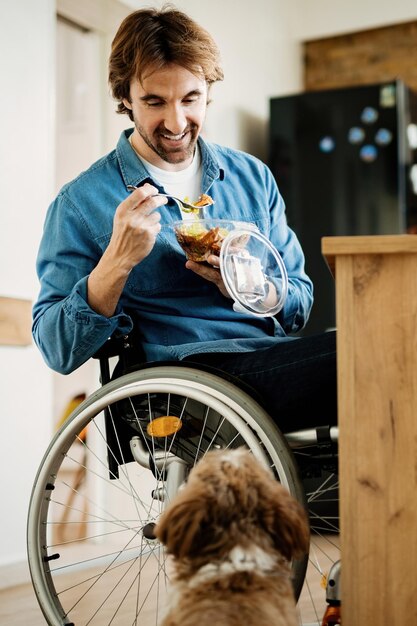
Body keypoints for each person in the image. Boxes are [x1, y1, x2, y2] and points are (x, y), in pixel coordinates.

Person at [33, 6, 337, 433]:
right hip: (181, 380)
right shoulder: (82, 202)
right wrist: (116, 262)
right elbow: (55, 348)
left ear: (208, 91)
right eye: (154, 101)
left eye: (190, 99)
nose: (176, 122)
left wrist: (243, 284)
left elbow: (299, 302)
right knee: (363, 358)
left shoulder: (252, 177)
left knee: (379, 347)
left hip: (269, 359)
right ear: (125, 98)